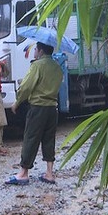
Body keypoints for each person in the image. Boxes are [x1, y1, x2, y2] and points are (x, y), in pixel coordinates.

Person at [6, 42, 63, 186]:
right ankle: (49, 173)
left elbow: (26, 86)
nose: (34, 52)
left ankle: (23, 173)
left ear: (41, 51)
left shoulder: (37, 65)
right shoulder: (57, 66)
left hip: (38, 107)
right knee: (49, 139)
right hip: (52, 107)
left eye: (35, 49)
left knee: (31, 138)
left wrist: (17, 102)